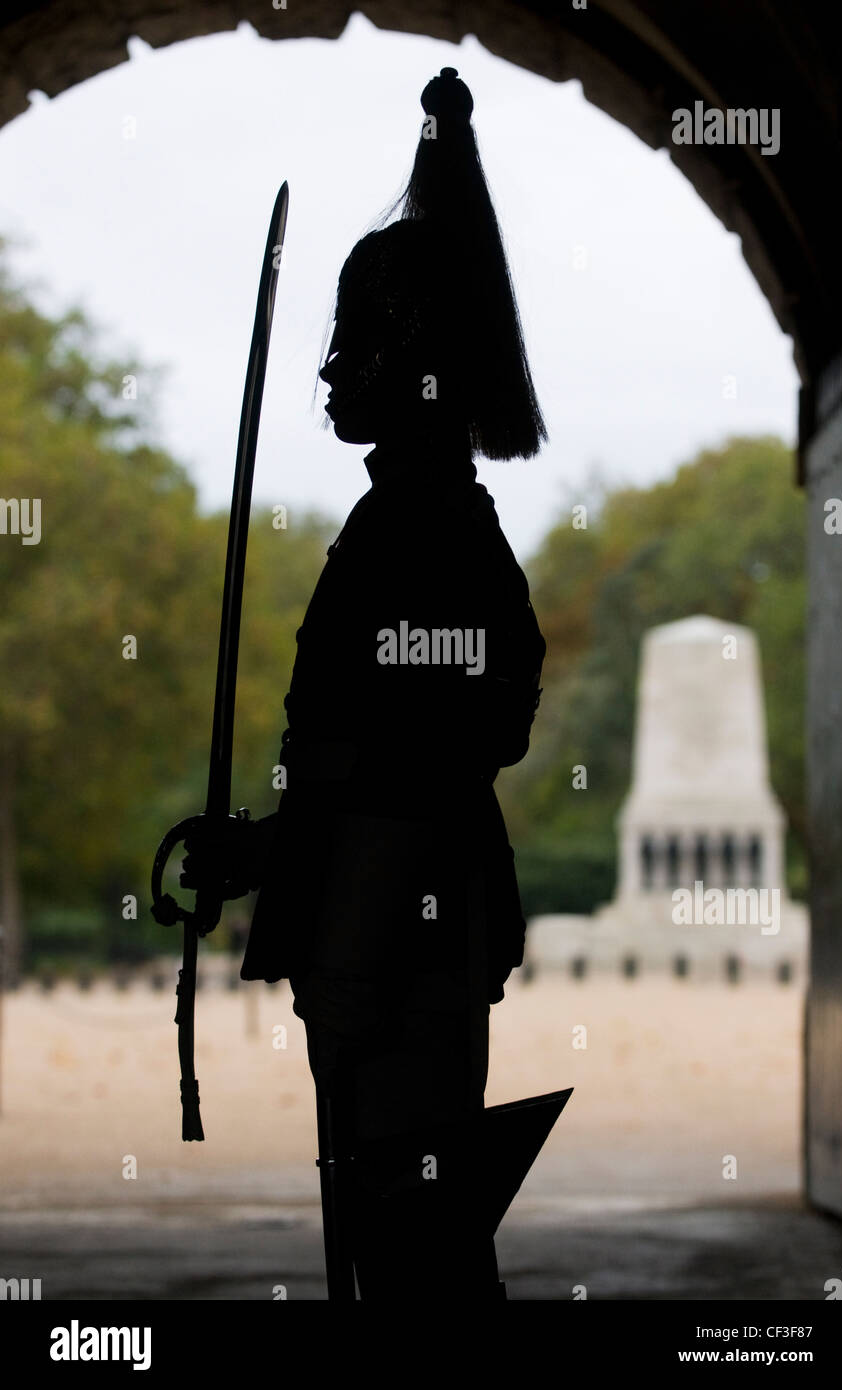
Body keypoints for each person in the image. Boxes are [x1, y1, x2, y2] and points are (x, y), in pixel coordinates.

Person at [182, 67, 547, 1301]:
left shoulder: (423, 530)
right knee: (396, 1253)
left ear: (419, 354)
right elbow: (379, 756)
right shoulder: (399, 519)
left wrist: (341, 944)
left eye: (359, 340)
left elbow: (432, 759)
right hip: (385, 917)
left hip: (396, 930)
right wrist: (264, 849)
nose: (334, 370)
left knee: (413, 1266)